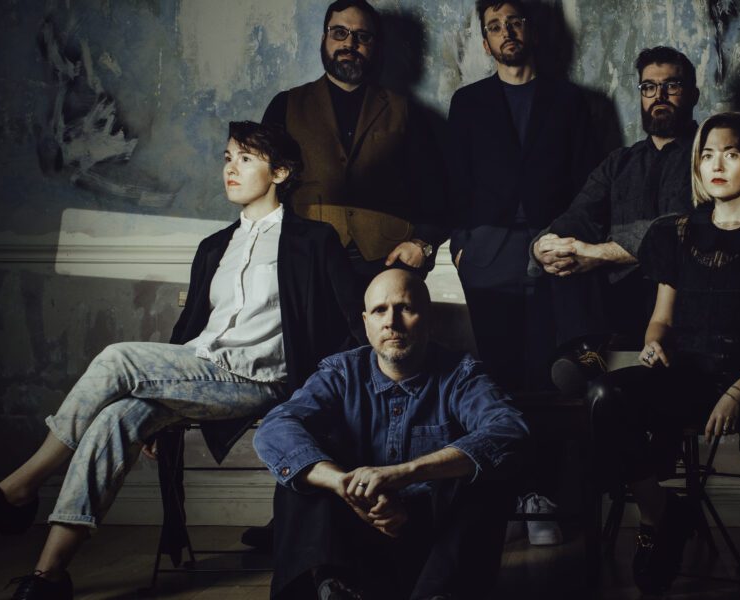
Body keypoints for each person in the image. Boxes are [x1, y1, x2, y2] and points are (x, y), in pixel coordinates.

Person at [0, 121, 365, 600]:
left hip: (261, 381)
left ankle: (18, 490)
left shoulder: (313, 241)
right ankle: (49, 575)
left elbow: (351, 319)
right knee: (117, 418)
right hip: (199, 373)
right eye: (227, 158)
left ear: (280, 172)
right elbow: (187, 333)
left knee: (117, 358)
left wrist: (329, 390)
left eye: (246, 159)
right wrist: (162, 393)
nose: (230, 169)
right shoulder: (214, 247)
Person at [587, 112, 740, 599]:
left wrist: (738, 393)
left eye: (732, 153)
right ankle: (662, 513)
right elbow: (663, 318)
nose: (716, 164)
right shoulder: (673, 232)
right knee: (604, 394)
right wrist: (654, 343)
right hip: (691, 375)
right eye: (707, 154)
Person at [254, 269, 531, 600]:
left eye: (405, 308)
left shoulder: (460, 373)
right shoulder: (341, 372)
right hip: (359, 535)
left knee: (486, 475)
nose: (391, 322)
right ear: (366, 322)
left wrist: (405, 473)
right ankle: (334, 590)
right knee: (301, 471)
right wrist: (346, 486)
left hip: (434, 548)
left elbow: (509, 429)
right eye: (379, 311)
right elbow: (275, 428)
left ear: (428, 319)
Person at [529, 46, 701, 393]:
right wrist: (542, 247)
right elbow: (578, 214)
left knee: (598, 250)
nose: (659, 96)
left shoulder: (708, 156)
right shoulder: (620, 161)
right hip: (617, 300)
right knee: (566, 242)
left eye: (672, 86)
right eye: (649, 87)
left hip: (679, 294)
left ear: (694, 94)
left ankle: (590, 361)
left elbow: (680, 227)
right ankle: (586, 351)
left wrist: (598, 252)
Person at [446, 0, 598, 393]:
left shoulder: (570, 100)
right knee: (498, 376)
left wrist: (572, 240)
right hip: (487, 254)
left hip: (552, 247)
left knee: (552, 373)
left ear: (531, 31)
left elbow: (588, 179)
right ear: (485, 43)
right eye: (495, 26)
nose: (506, 32)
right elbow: (455, 181)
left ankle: (556, 456)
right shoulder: (467, 103)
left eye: (514, 23)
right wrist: (462, 245)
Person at [262, 0, 447, 291]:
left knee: (378, 338)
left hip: (385, 262)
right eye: (339, 33)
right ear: (324, 39)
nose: (350, 43)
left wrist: (421, 244)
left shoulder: (408, 112)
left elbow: (436, 191)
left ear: (376, 46)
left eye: (362, 36)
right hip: (304, 258)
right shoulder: (286, 105)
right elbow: (262, 184)